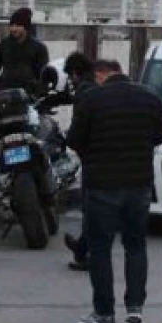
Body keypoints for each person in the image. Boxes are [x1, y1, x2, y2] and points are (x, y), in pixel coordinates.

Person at [67, 59, 162, 323]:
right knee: (135, 246)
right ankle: (135, 309)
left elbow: (74, 139)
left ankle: (104, 314)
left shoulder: (92, 99)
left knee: (100, 249)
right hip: (139, 184)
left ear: (101, 74)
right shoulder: (150, 98)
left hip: (102, 184)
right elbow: (161, 135)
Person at [60, 52, 99, 273]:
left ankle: (86, 252)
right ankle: (83, 248)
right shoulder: (97, 85)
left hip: (93, 157)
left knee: (91, 207)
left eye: (70, 76)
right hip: (104, 156)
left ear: (75, 72)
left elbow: (80, 127)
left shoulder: (84, 91)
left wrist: (73, 142)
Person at [0, 8, 50, 96]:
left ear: (26, 27)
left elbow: (43, 74)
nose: (14, 29)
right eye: (12, 25)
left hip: (27, 94)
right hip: (5, 91)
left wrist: (37, 92)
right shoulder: (5, 43)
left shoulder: (39, 47)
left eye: (18, 26)